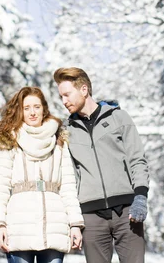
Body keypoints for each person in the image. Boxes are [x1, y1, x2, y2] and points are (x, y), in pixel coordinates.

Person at [53, 67, 150, 263]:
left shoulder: (118, 118)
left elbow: (137, 159)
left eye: (67, 94)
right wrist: (74, 220)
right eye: (61, 97)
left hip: (127, 213)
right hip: (91, 218)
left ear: (84, 89)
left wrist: (140, 196)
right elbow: (69, 176)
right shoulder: (66, 131)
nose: (64, 101)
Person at [0, 86, 84, 263]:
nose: (32, 112)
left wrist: (75, 225)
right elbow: (0, 187)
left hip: (54, 226)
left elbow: (68, 188)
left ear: (44, 109)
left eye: (37, 107)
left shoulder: (59, 141)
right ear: (20, 111)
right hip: (18, 227)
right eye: (27, 108)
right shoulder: (10, 141)